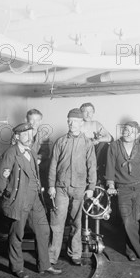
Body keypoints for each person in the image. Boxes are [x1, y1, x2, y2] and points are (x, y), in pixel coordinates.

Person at [0, 123, 62, 278]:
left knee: (43, 230)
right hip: (18, 200)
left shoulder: (31, 151)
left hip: (35, 199)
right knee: (17, 234)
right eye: (24, 134)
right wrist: (8, 196)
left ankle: (44, 265)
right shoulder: (11, 153)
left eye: (30, 134)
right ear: (17, 136)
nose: (29, 137)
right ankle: (17, 268)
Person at [48, 108, 97, 266]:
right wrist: (51, 185)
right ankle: (52, 256)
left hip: (79, 188)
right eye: (69, 121)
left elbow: (92, 166)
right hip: (61, 188)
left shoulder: (88, 143)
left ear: (81, 123)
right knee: (57, 222)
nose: (71, 124)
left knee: (76, 223)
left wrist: (91, 187)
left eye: (75, 121)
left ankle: (75, 253)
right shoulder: (61, 141)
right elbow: (53, 165)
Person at [105, 121, 140, 261]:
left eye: (132, 132)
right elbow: (109, 167)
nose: (128, 134)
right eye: (126, 130)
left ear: (136, 135)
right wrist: (110, 185)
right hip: (122, 189)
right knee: (128, 221)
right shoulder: (114, 146)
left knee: (137, 219)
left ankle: (130, 250)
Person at [80, 103, 112, 183]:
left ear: (93, 112)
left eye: (90, 111)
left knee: (104, 145)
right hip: (82, 154)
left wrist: (97, 140)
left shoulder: (96, 124)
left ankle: (98, 172)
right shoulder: (78, 124)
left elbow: (109, 138)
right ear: (81, 113)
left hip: (96, 155)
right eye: (85, 111)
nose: (88, 114)